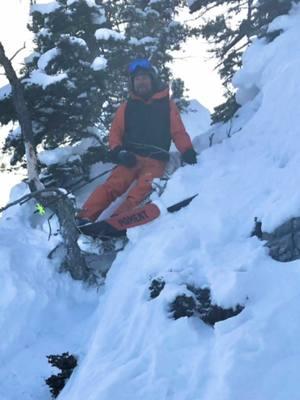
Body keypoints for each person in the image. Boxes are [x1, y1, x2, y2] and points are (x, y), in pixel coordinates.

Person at [77, 58, 197, 225]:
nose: (142, 82)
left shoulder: (166, 105)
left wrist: (187, 150)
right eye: (138, 79)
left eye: (145, 78)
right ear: (132, 83)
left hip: (156, 160)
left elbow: (178, 131)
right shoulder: (126, 107)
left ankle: (116, 222)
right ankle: (84, 218)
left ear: (152, 81)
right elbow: (115, 133)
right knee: (111, 187)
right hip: (131, 158)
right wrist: (119, 152)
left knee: (141, 191)